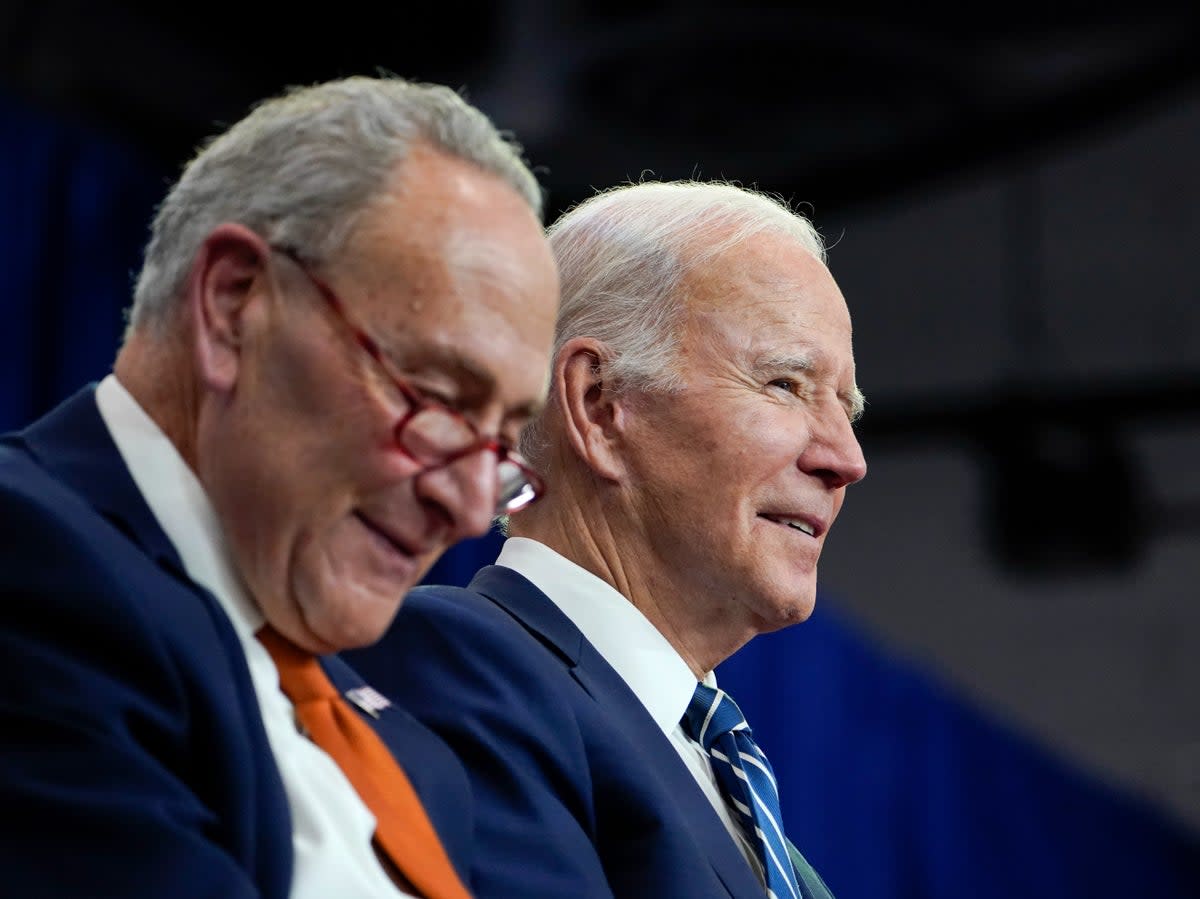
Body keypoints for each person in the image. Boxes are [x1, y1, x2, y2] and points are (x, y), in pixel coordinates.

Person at [0, 74, 559, 898]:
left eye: (503, 442)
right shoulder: (33, 567)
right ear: (235, 304)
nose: (472, 506)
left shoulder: (414, 755)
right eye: (437, 398)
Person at [346, 179, 869, 898]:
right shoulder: (459, 665)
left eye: (846, 407)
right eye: (785, 384)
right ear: (599, 405)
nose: (846, 458)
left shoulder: (749, 804)